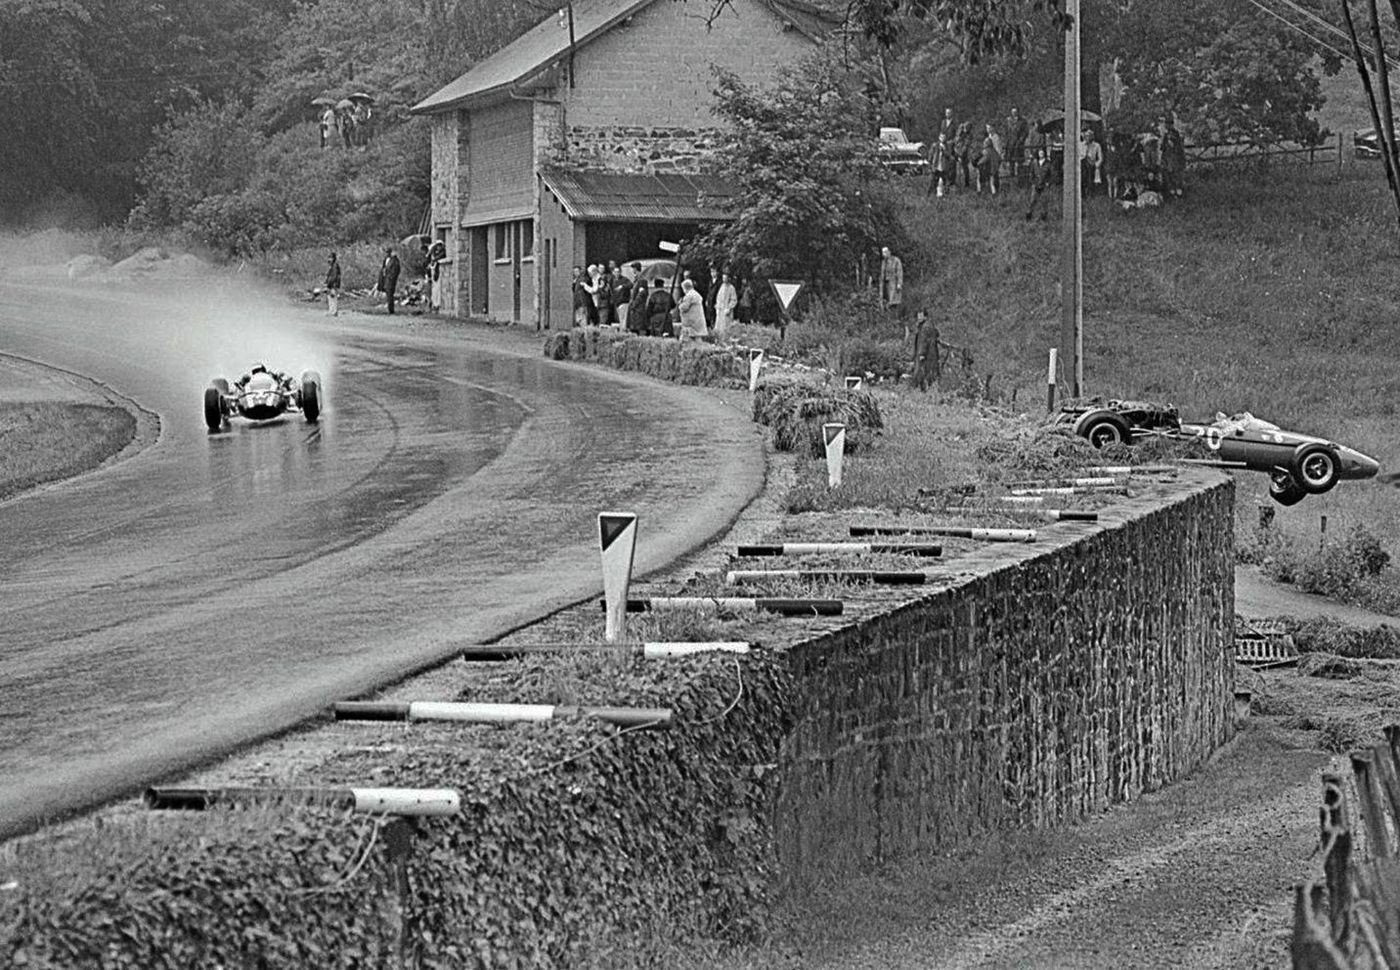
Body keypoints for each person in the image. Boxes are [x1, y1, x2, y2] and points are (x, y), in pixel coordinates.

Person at [911, 310, 940, 391]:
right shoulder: (929, 325)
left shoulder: (925, 327)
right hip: (932, 354)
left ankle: (917, 389)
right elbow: (937, 334)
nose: (919, 318)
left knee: (921, 371)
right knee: (930, 372)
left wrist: (921, 354)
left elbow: (923, 342)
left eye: (920, 316)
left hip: (926, 354)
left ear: (925, 316)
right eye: (918, 316)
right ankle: (928, 388)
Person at [1160, 115, 1186, 197]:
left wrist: (1172, 142)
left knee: (1175, 175)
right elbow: (1163, 147)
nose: (1166, 126)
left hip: (1174, 158)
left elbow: (1179, 147)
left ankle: (1177, 192)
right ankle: (1171, 192)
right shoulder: (1166, 134)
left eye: (1168, 124)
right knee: (1168, 175)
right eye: (1166, 124)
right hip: (1167, 158)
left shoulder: (1175, 134)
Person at [1025, 147, 1054, 221]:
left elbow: (1052, 174)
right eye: (1040, 152)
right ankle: (1029, 215)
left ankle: (1043, 217)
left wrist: (1048, 182)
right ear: (1038, 153)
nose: (1041, 154)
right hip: (1036, 184)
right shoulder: (1034, 162)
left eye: (1042, 152)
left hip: (1044, 185)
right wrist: (1032, 181)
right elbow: (1031, 173)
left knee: (1044, 201)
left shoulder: (1048, 163)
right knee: (1032, 200)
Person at [978, 123, 1003, 195]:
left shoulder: (996, 137)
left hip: (994, 157)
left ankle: (995, 190)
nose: (987, 129)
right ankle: (991, 190)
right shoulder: (989, 136)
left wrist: (997, 158)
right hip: (989, 157)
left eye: (989, 128)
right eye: (987, 128)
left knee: (994, 174)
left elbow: (998, 149)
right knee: (990, 174)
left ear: (993, 128)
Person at [1005, 107, 1029, 179]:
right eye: (1013, 112)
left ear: (1018, 112)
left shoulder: (1023, 121)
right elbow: (1007, 132)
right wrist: (1007, 140)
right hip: (1010, 143)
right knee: (1010, 160)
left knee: (1019, 161)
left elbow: (1025, 132)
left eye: (1015, 111)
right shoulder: (1008, 120)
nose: (1014, 113)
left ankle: (1020, 178)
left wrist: (1020, 140)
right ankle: (1011, 177)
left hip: (1018, 144)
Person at [929, 133, 955, 198]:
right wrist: (930, 163)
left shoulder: (947, 146)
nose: (942, 139)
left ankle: (946, 195)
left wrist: (944, 150)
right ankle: (931, 195)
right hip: (936, 166)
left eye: (944, 137)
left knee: (946, 182)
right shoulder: (935, 145)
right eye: (941, 137)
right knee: (933, 181)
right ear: (939, 137)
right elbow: (931, 154)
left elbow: (949, 155)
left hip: (944, 167)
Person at [879, 246, 903, 314]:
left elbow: (899, 272)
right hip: (886, 284)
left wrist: (899, 283)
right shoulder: (883, 262)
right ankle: (888, 318)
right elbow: (882, 274)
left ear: (889, 252)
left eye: (885, 252)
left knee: (894, 302)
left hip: (894, 283)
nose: (884, 254)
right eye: (883, 253)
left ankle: (894, 318)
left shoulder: (896, 260)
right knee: (887, 301)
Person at [626, 263, 650, 333]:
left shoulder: (642, 280)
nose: (632, 271)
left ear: (635, 269)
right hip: (635, 309)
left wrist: (634, 304)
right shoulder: (637, 279)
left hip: (638, 309)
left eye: (633, 269)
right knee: (633, 329)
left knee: (637, 329)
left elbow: (641, 294)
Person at [377, 246, 401, 314]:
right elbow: (383, 268)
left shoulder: (395, 260)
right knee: (388, 294)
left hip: (390, 280)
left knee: (390, 294)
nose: (387, 253)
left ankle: (391, 310)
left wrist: (392, 278)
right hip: (385, 279)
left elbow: (396, 270)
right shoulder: (385, 260)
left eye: (388, 252)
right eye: (386, 252)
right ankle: (389, 309)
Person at [1080, 128, 1103, 197]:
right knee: (1082, 175)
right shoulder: (1081, 145)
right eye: (1086, 136)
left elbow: (1100, 157)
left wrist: (1097, 164)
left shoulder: (1096, 145)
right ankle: (1082, 193)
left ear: (1092, 137)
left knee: (1090, 178)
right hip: (1083, 163)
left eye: (1089, 136)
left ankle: (1090, 193)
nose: (1087, 137)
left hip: (1092, 163)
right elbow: (1079, 155)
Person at [713, 271, 737, 336]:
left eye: (725, 278)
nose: (724, 279)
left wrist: (729, 308)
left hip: (726, 310)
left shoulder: (731, 288)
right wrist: (717, 306)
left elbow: (734, 300)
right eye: (723, 278)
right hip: (720, 309)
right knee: (718, 326)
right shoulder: (721, 286)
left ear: (728, 279)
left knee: (726, 327)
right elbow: (718, 298)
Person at [610, 263, 632, 330]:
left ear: (620, 272)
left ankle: (623, 331)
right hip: (617, 302)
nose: (617, 273)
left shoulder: (624, 279)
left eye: (618, 272)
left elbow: (631, 285)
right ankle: (622, 331)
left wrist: (622, 286)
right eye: (615, 272)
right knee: (620, 318)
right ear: (613, 272)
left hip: (623, 302)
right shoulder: (612, 280)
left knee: (623, 318)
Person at [953, 121, 974, 189]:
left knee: (965, 169)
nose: (965, 129)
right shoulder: (960, 131)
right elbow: (955, 140)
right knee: (956, 168)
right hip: (956, 151)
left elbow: (966, 146)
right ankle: (957, 183)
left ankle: (966, 183)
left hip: (963, 154)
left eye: (967, 128)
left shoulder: (969, 135)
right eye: (964, 127)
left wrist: (961, 155)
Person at [427, 239, 447, 312]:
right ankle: (433, 304)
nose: (438, 247)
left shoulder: (442, 254)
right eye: (437, 246)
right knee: (434, 289)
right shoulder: (433, 253)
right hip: (433, 274)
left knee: (438, 289)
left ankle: (437, 304)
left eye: (440, 246)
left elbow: (438, 258)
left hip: (437, 273)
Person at [324, 251, 341, 316]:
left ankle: (333, 311)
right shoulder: (332, 266)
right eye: (328, 258)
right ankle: (332, 311)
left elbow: (333, 276)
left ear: (334, 258)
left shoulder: (335, 266)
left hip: (333, 284)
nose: (329, 259)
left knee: (332, 297)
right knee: (330, 297)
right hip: (332, 284)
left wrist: (329, 284)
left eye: (330, 258)